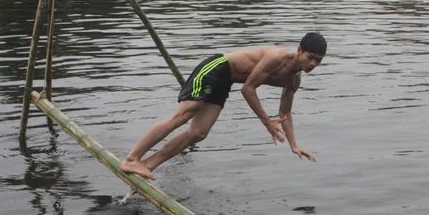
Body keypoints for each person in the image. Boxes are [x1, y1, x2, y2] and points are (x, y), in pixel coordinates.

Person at [119, 32, 327, 180]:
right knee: (185, 113)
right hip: (216, 67)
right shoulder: (277, 58)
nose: (312, 64)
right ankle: (132, 158)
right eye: (310, 58)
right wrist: (266, 121)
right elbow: (248, 89)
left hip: (225, 81)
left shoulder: (293, 81)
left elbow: (285, 113)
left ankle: (148, 165)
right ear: (299, 51)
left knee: (199, 132)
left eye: (318, 61)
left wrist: (294, 145)